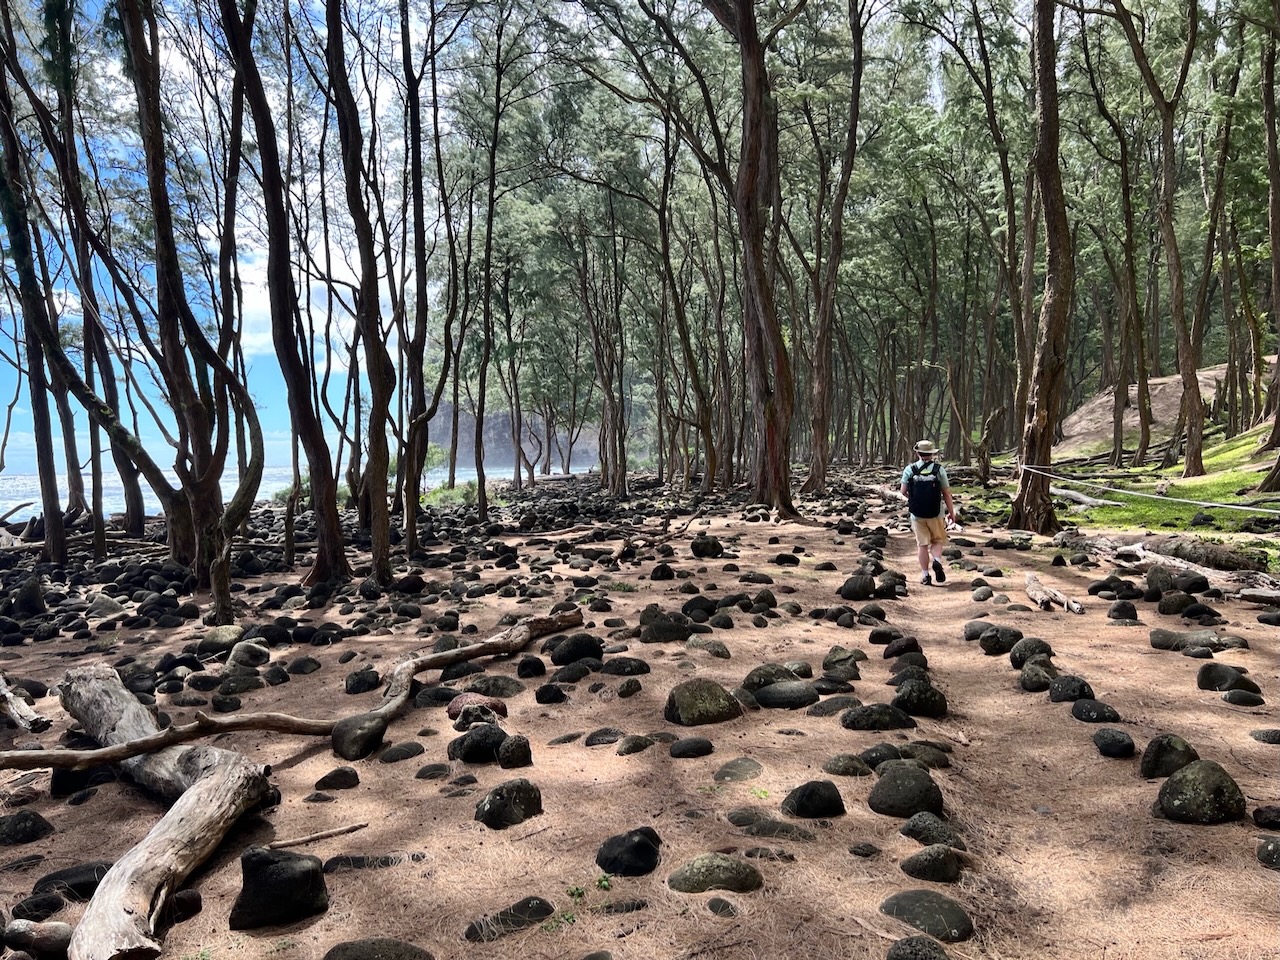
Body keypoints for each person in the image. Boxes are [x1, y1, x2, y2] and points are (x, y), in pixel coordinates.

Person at [900, 439, 956, 586]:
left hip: (917, 514)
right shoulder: (939, 470)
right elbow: (946, 493)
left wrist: (914, 499)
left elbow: (903, 491)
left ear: (917, 453)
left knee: (922, 545)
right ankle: (936, 560)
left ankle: (925, 575)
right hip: (936, 513)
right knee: (937, 541)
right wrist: (951, 512)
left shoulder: (910, 469)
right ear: (932, 454)